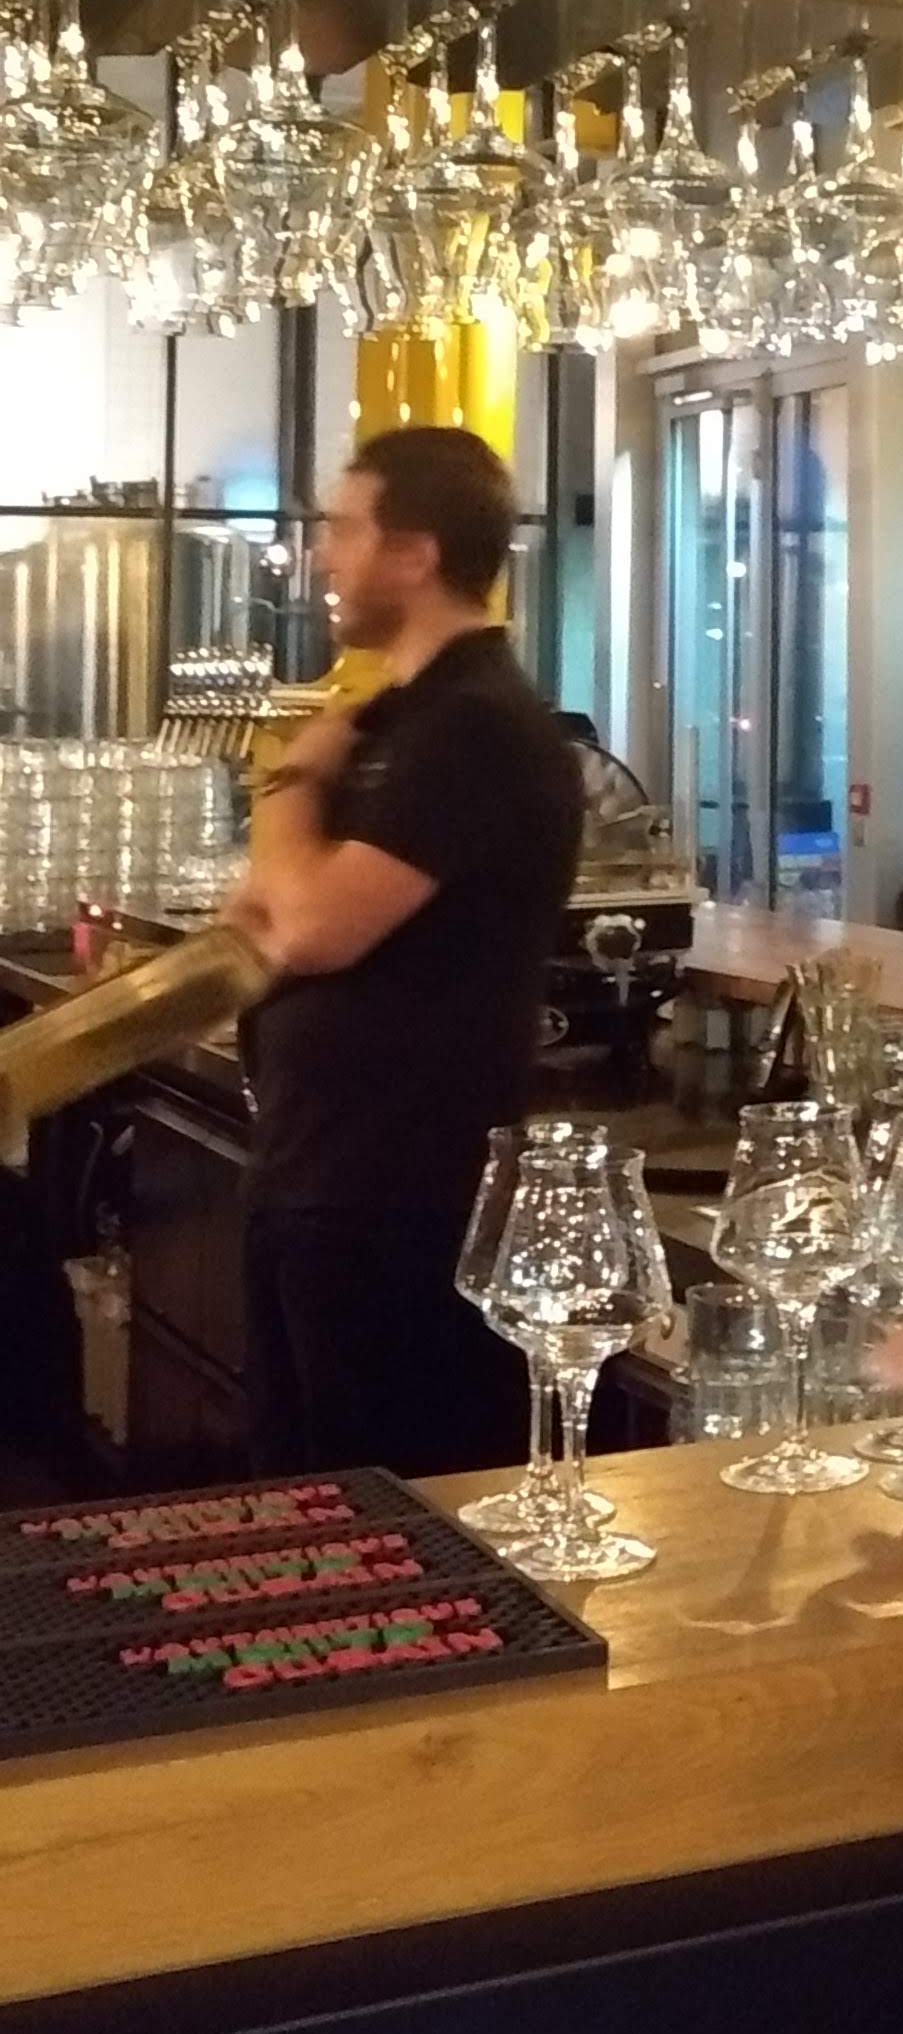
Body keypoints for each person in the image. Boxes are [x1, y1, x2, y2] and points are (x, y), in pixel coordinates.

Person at [229, 425, 583, 1479]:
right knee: (304, 1502)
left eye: (344, 530)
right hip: (323, 1172)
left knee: (381, 1513)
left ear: (414, 553)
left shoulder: (476, 727)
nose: (323, 557)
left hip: (398, 1202)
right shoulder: (396, 718)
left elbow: (308, 927)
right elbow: (260, 909)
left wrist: (291, 783)